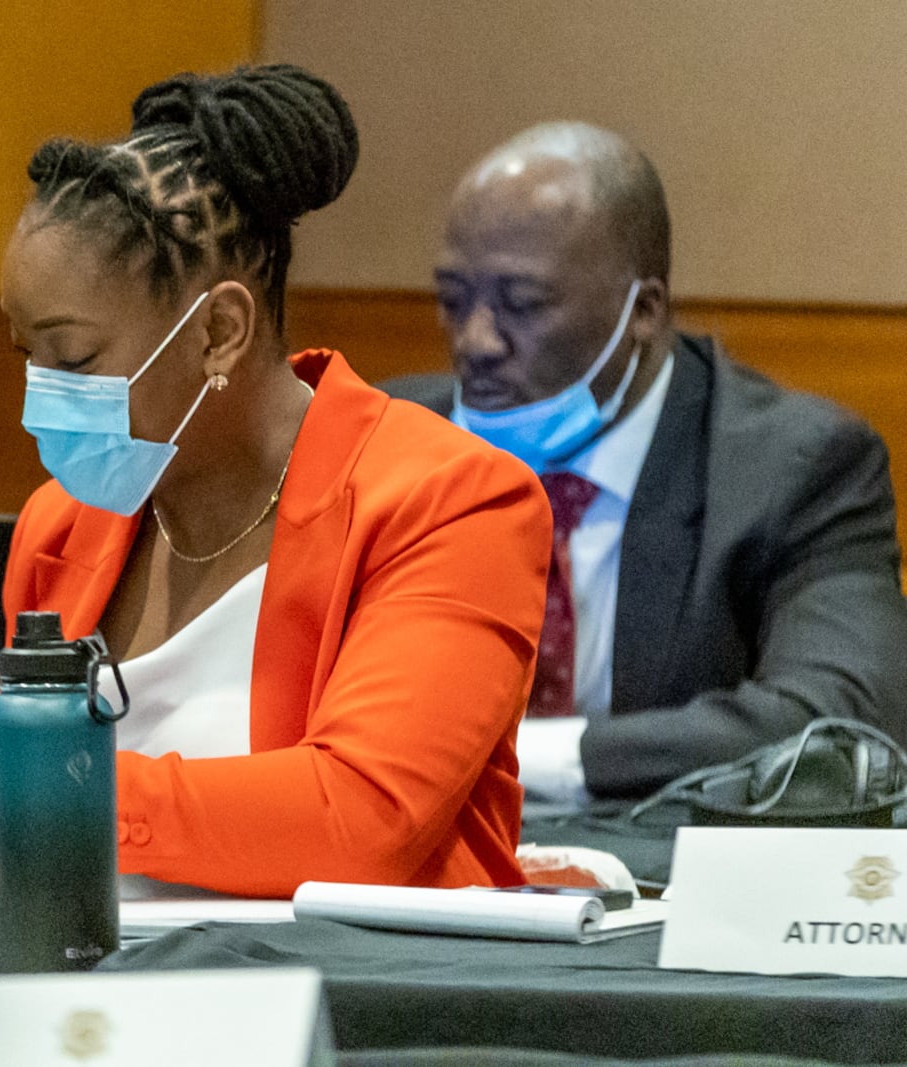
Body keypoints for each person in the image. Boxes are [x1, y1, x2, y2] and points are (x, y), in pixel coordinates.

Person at [0, 65, 551, 903]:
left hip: (362, 1018)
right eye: (24, 356)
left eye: (73, 357)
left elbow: (362, 820)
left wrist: (48, 789)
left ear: (220, 332)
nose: (41, 394)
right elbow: (21, 850)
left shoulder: (451, 501)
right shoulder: (61, 527)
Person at [384, 121, 907, 805]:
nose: (475, 341)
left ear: (645, 309)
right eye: (453, 300)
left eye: (522, 304)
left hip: (661, 882)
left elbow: (839, 724)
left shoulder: (793, 467)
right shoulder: (388, 439)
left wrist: (519, 754)